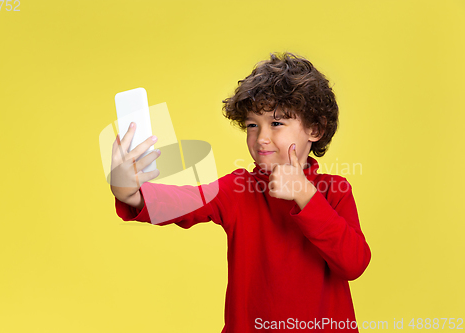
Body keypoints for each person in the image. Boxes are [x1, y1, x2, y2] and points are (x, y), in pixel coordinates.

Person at [110, 52, 371, 332]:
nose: (261, 138)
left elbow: (353, 263)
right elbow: (184, 200)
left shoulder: (335, 191)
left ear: (315, 129)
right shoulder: (238, 189)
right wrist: (130, 193)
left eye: (277, 123)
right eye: (252, 125)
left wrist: (305, 194)